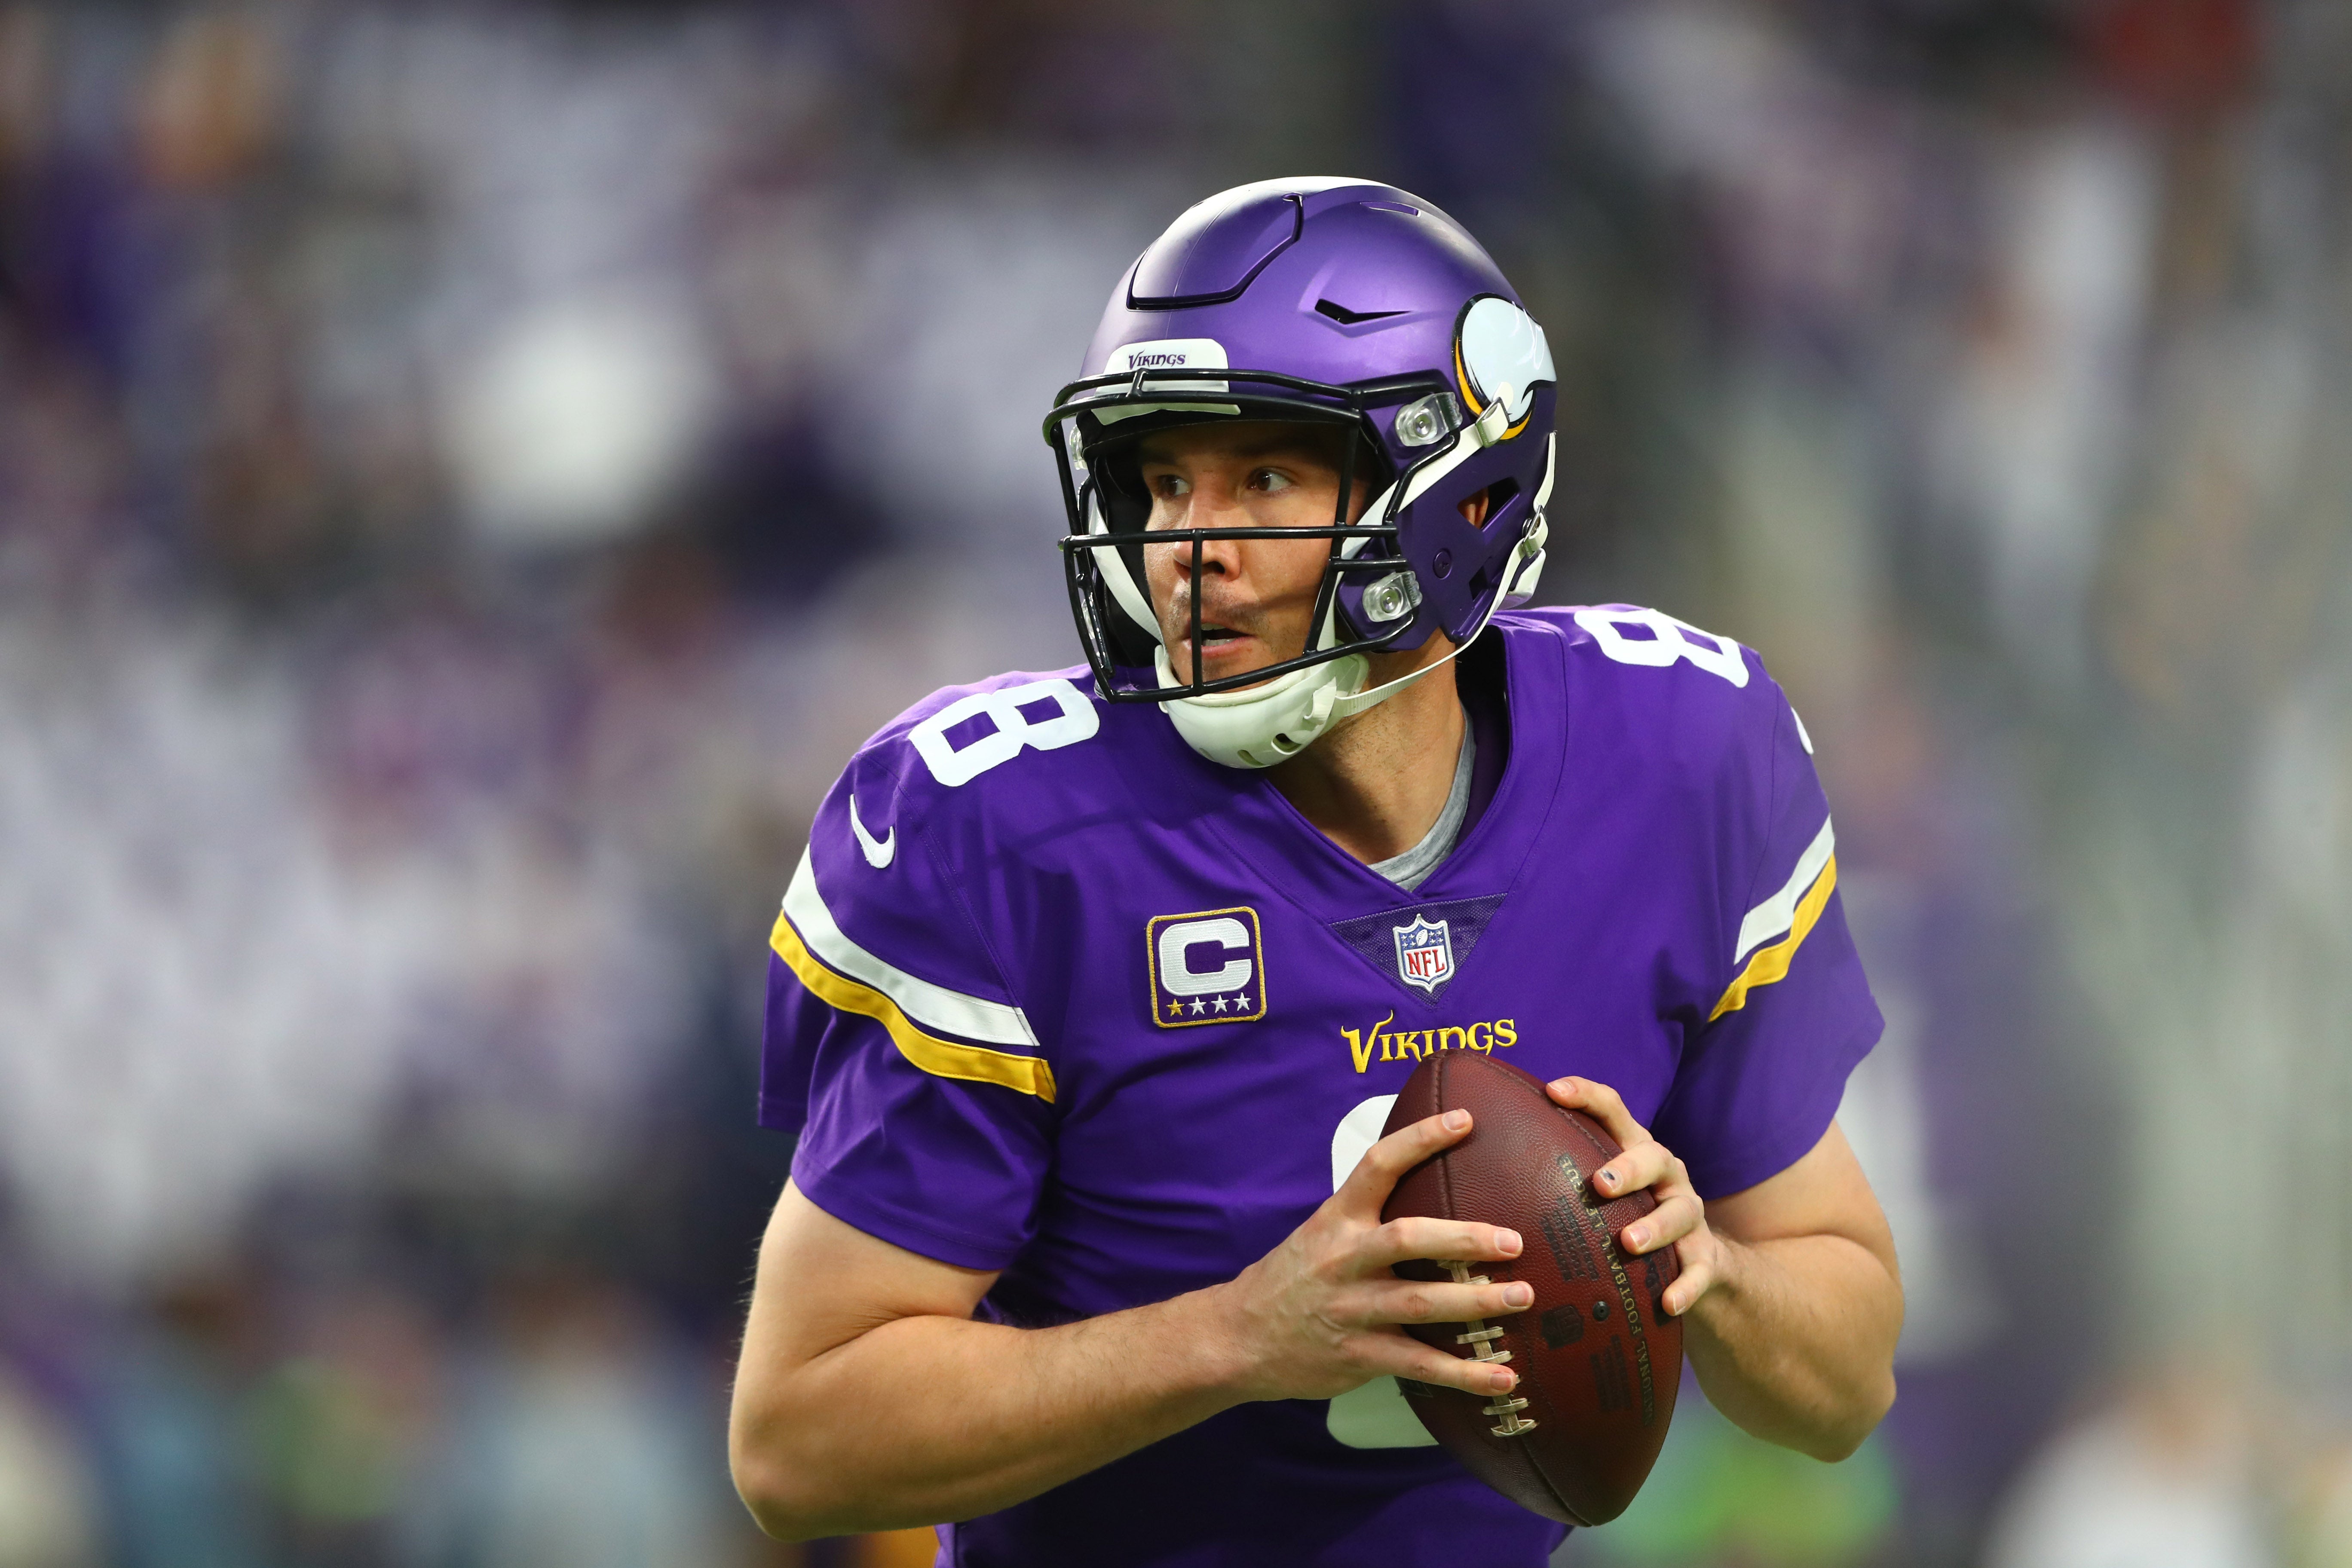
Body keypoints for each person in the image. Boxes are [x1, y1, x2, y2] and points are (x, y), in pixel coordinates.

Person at [729, 178, 1902, 1568]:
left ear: (1460, 489)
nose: (1189, 549)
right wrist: (1237, 1338)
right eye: (1162, 481)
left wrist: (1707, 1278)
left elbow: (1845, 1385)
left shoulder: (1680, 757)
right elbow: (795, 1441)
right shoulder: (1005, 830)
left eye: (1264, 479)